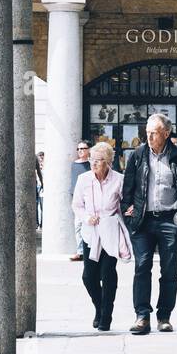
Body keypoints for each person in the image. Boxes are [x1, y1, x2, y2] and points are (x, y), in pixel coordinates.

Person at [122, 113, 177, 334]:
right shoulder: (137, 155)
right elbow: (128, 189)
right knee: (142, 266)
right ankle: (142, 316)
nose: (149, 136)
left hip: (170, 220)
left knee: (170, 270)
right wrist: (129, 212)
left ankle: (164, 316)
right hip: (143, 221)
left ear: (166, 133)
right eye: (147, 132)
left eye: (153, 133)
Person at [72, 142, 132, 332]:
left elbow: (125, 203)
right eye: (91, 159)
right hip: (90, 231)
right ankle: (99, 307)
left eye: (98, 160)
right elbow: (77, 205)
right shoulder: (83, 179)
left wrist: (129, 211)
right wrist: (86, 218)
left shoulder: (118, 179)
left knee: (107, 273)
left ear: (108, 162)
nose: (93, 164)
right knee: (89, 276)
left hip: (110, 230)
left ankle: (106, 315)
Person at [69, 140, 91, 261]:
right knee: (77, 225)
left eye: (83, 148)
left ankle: (88, 250)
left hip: (89, 199)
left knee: (88, 225)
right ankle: (80, 251)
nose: (80, 151)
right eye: (78, 149)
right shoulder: (74, 164)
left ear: (88, 150)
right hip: (77, 199)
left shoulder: (91, 164)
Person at [36, 151, 44, 229]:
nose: (41, 157)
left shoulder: (46, 166)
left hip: (42, 189)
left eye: (42, 155)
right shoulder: (37, 164)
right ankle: (37, 224)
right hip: (37, 186)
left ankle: (42, 224)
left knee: (42, 207)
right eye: (40, 155)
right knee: (36, 206)